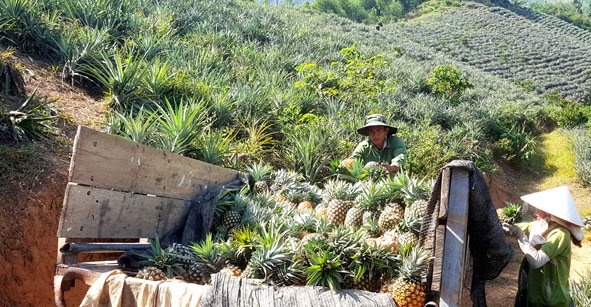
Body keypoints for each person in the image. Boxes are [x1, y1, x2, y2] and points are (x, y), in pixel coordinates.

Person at [503, 186, 584, 307]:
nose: (535, 213)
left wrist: (521, 237)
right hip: (536, 298)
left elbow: (536, 261)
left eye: (539, 209)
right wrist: (503, 225)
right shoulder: (541, 226)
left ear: (550, 212)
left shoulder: (560, 234)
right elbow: (519, 226)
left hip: (553, 302)